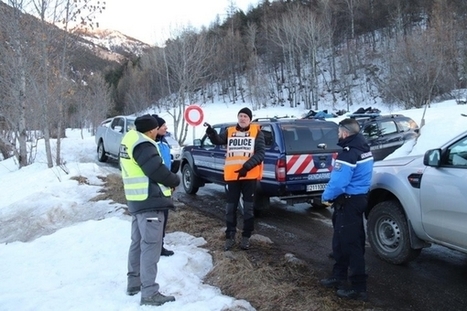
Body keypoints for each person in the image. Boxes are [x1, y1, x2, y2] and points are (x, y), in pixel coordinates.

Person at [119, 114, 180, 307]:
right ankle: (150, 292)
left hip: (137, 200)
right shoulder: (144, 144)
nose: (157, 131)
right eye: (156, 129)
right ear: (151, 129)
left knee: (137, 243)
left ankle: (134, 282)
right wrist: (174, 181)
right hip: (149, 202)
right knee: (150, 246)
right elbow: (156, 170)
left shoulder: (130, 138)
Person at [319, 118, 374, 301]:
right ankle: (338, 275)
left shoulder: (348, 154)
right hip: (357, 200)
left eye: (339, 132)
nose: (338, 135)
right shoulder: (364, 148)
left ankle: (358, 287)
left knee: (351, 244)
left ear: (344, 132)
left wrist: (325, 197)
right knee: (341, 240)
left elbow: (338, 183)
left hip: (349, 202)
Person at [205, 107, 265, 251]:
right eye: (240, 116)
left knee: (249, 209)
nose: (242, 118)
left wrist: (246, 167)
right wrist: (212, 133)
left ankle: (246, 237)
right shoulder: (230, 131)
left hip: (249, 176)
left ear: (250, 119)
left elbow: (261, 153)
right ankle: (230, 236)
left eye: (245, 116)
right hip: (232, 176)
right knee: (230, 208)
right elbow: (219, 140)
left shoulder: (257, 132)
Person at [152, 114, 174, 257]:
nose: (166, 127)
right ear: (155, 128)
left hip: (166, 187)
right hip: (155, 188)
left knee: (164, 217)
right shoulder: (151, 145)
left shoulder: (165, 142)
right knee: (155, 219)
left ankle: (160, 245)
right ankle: (153, 246)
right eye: (163, 125)